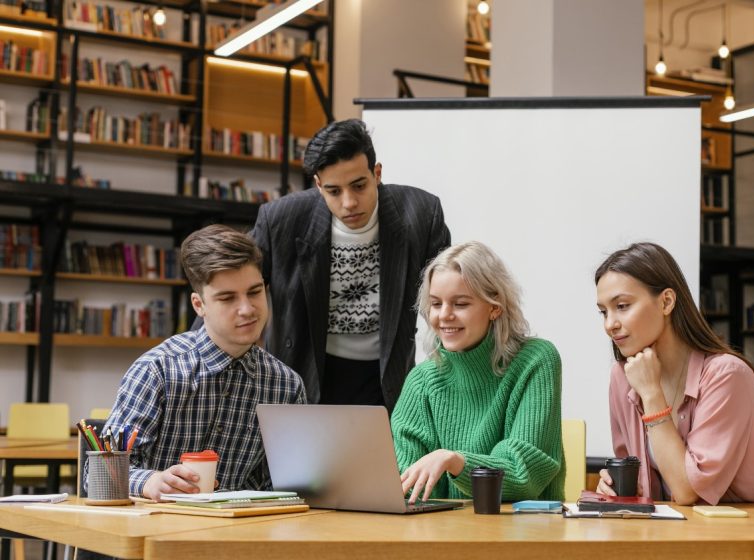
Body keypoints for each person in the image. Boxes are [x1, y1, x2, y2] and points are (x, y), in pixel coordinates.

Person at [594, 242, 754, 560]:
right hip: (675, 545)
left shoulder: (726, 375)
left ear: (666, 301)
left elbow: (688, 491)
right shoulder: (622, 376)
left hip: (744, 547)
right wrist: (613, 488)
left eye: (622, 306)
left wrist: (652, 395)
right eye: (603, 311)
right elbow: (639, 482)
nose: (609, 323)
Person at [252, 118, 451, 410]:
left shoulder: (420, 213)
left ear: (377, 173)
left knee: (382, 457)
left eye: (359, 186)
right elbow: (232, 281)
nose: (349, 202)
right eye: (334, 191)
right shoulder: (281, 219)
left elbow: (449, 294)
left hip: (387, 376)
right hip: (306, 371)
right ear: (318, 185)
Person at [105, 224, 306, 502]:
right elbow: (102, 470)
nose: (247, 309)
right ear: (199, 305)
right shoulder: (157, 370)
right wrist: (149, 482)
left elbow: (285, 485)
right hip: (157, 530)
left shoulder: (286, 385)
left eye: (255, 292)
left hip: (239, 536)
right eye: (227, 298)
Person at [391, 241, 565, 504]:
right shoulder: (421, 381)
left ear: (495, 307)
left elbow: (523, 474)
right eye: (436, 304)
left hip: (525, 533)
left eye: (460, 304)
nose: (444, 315)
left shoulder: (536, 361)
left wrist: (455, 461)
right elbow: (405, 482)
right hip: (445, 536)